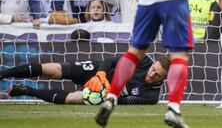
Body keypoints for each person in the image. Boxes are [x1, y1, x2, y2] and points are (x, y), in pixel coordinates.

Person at [2, 55, 169, 105]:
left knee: (73, 98)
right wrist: (100, 75)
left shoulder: (151, 97)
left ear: (163, 79)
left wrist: (106, 92)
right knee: (53, 70)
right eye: (154, 69)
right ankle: (4, 73)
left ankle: (27, 90)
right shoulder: (142, 60)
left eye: (157, 76)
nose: (152, 75)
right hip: (99, 71)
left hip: (106, 92)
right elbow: (110, 61)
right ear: (153, 63)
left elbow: (124, 102)